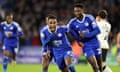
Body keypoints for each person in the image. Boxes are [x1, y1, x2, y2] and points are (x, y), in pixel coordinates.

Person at [68, 3, 102, 72]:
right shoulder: (72, 23)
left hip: (95, 43)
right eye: (75, 11)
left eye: (78, 11)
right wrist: (78, 41)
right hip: (86, 45)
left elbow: (97, 30)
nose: (77, 13)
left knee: (100, 65)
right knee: (94, 65)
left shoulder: (89, 18)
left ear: (82, 11)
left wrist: (86, 35)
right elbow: (73, 34)